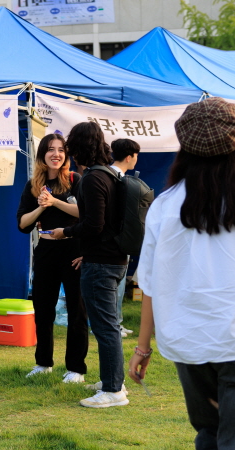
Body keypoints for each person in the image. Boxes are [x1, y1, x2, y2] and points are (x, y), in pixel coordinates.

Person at [129, 98, 235, 449]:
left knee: (209, 433)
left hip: (187, 343)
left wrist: (142, 348)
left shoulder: (165, 204)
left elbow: (148, 283)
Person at [52, 121, 128, 408]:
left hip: (102, 263)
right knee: (110, 324)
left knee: (105, 327)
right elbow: (109, 223)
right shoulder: (110, 175)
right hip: (111, 258)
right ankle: (113, 380)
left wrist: (65, 232)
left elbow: (94, 224)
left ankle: (113, 390)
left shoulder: (93, 179)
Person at [17, 134, 87, 383]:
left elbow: (84, 213)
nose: (56, 154)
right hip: (45, 252)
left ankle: (76, 368)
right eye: (50, 150)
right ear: (42, 155)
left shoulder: (75, 180)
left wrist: (55, 201)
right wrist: (41, 207)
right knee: (43, 310)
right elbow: (23, 224)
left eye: (61, 150)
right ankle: (43, 362)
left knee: (77, 311)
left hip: (73, 251)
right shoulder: (33, 185)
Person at [110, 138, 140, 339]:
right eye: (136, 156)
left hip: (121, 243)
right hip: (114, 245)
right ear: (129, 157)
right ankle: (112, 325)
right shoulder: (113, 178)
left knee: (119, 289)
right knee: (113, 289)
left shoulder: (119, 177)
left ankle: (117, 323)